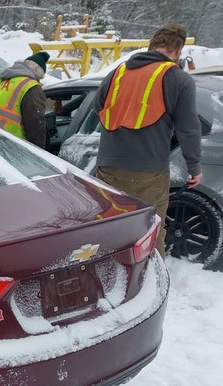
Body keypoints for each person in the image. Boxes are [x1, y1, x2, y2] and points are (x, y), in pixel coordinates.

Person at [94, 23, 202, 256]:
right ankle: (147, 286)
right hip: (147, 173)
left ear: (152, 45)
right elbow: (189, 129)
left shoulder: (118, 72)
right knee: (148, 233)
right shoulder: (178, 79)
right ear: (178, 51)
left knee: (109, 229)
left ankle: (109, 281)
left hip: (107, 169)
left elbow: (99, 107)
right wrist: (194, 166)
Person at [0, 51, 50, 148]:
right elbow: (35, 127)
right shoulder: (31, 87)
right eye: (40, 77)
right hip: (10, 148)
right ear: (36, 69)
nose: (38, 80)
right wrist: (40, 155)